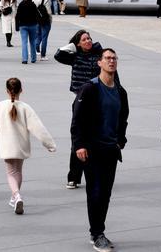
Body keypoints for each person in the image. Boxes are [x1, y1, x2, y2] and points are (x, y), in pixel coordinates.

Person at [72, 48, 128, 252]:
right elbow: (77, 119)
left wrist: (121, 140)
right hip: (92, 149)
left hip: (110, 149)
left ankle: (98, 230)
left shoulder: (120, 91)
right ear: (100, 63)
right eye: (107, 58)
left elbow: (123, 118)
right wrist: (79, 144)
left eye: (114, 58)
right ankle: (97, 233)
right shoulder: (90, 89)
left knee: (105, 192)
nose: (111, 61)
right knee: (95, 192)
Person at [0, 77, 56, 214]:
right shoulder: (25, 108)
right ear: (21, 90)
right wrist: (49, 144)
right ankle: (14, 197)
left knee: (10, 172)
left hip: (7, 144)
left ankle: (16, 195)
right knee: (18, 171)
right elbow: (38, 128)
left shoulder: (0, 106)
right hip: (21, 144)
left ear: (7, 91)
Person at [55, 30, 104, 189]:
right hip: (80, 100)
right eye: (84, 39)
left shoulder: (99, 55)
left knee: (96, 139)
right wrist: (72, 46)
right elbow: (58, 55)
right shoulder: (74, 56)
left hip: (97, 101)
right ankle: (74, 177)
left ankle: (95, 175)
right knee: (78, 137)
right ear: (78, 43)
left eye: (89, 38)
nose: (88, 41)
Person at [15, 0, 39, 64]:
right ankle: (33, 58)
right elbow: (36, 15)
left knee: (24, 42)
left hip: (23, 25)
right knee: (33, 42)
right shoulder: (33, 5)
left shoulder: (21, 4)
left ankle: (25, 59)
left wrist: (17, 26)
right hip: (33, 25)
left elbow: (17, 16)